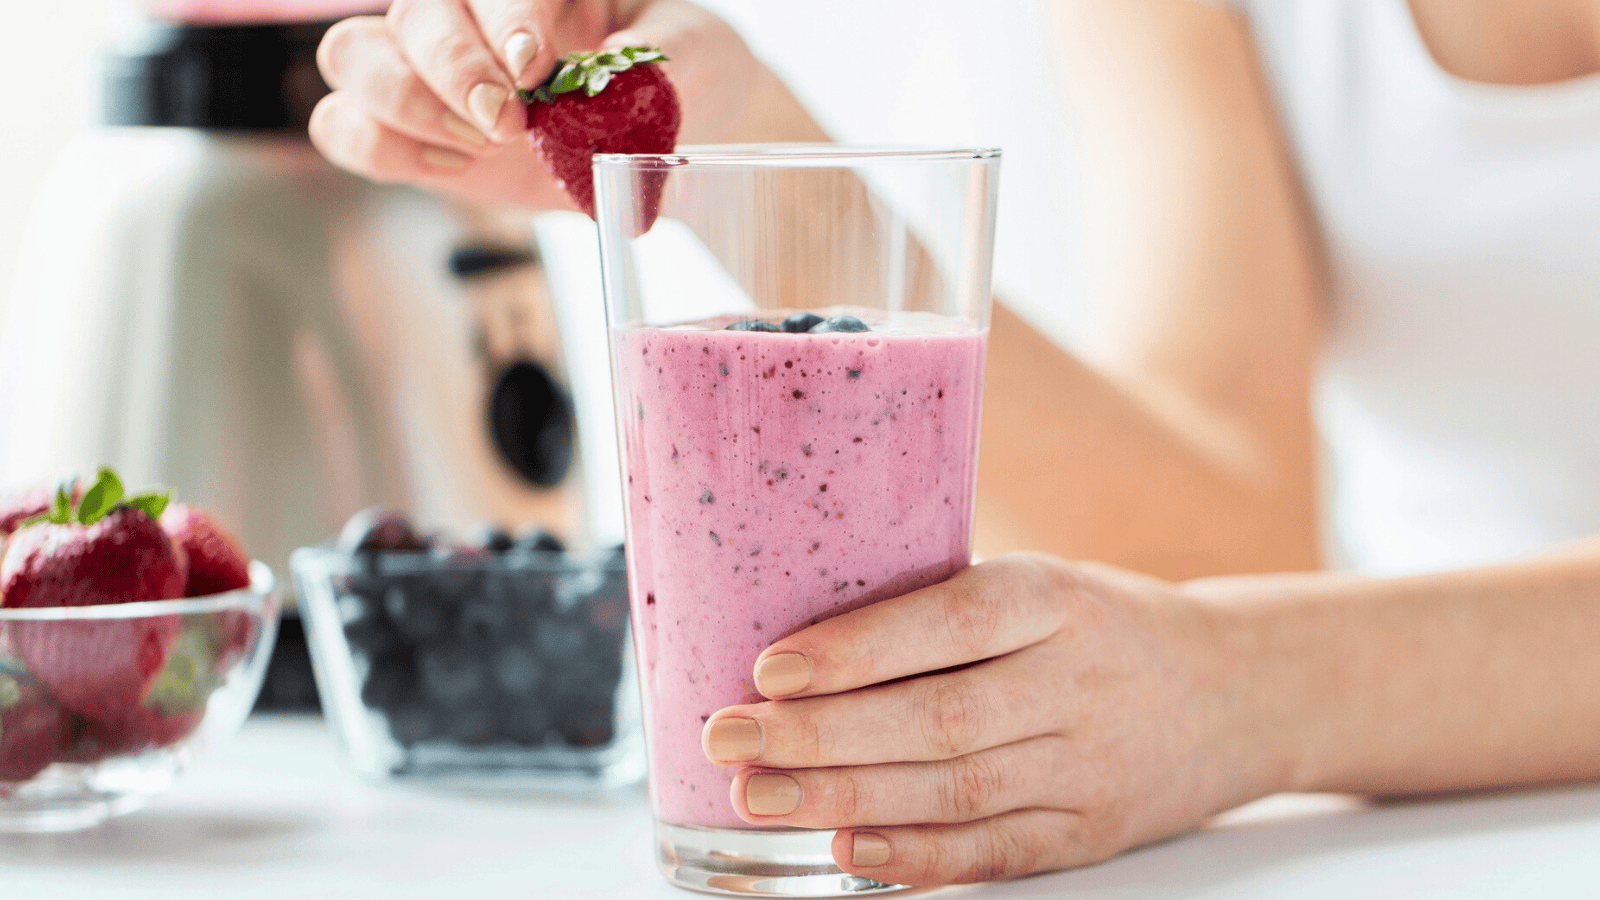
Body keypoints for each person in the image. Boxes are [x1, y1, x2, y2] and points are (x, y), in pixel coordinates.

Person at [307, 0, 1600, 886]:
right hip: (1441, 829)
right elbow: (1226, 530)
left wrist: (1242, 692)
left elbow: (1237, 632)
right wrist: (722, 141)